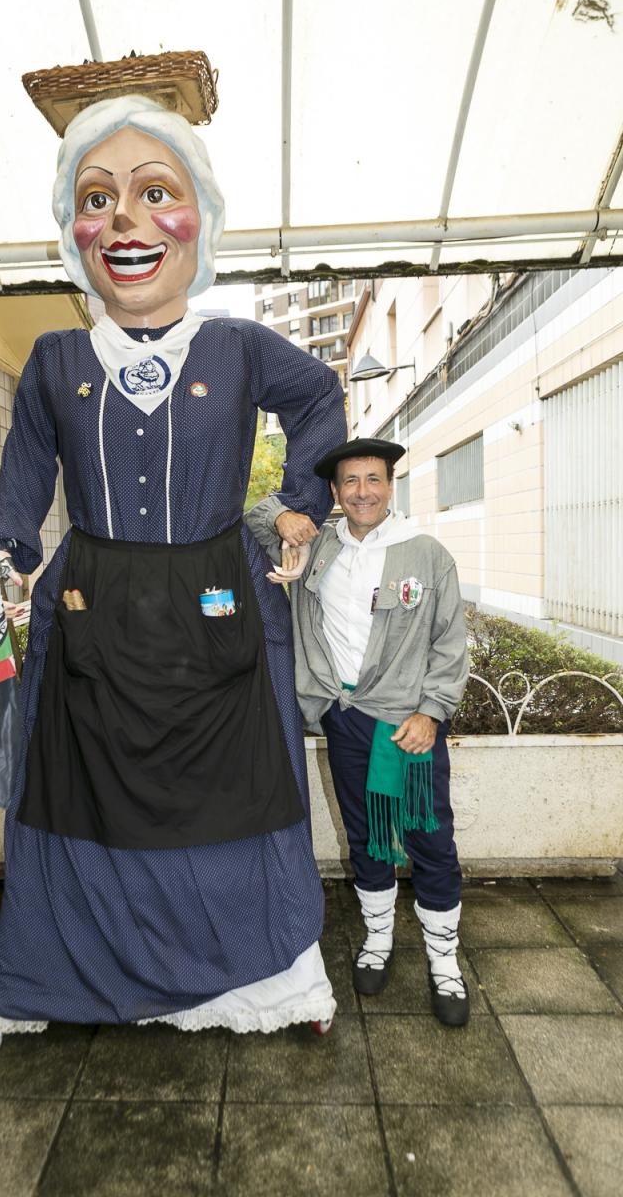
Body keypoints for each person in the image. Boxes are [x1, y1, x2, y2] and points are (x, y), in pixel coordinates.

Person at [0, 94, 347, 1041]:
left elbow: (320, 396)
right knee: (75, 789)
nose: (126, 221)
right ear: (74, 231)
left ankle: (264, 981)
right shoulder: (54, 360)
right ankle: (66, 977)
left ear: (200, 219)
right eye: (97, 198)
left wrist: (303, 502)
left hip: (216, 605)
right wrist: (11, 551)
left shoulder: (240, 347)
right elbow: (25, 469)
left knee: (241, 787)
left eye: (155, 193)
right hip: (92, 609)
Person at [245, 437, 471, 1026]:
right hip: (345, 717)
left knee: (427, 837)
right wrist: (287, 518)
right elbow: (254, 516)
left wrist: (432, 711)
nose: (362, 492)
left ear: (390, 486)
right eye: (350, 481)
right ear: (334, 491)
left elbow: (449, 642)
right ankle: (378, 938)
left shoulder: (426, 554)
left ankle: (444, 960)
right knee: (367, 835)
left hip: (406, 724)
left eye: (373, 479)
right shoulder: (317, 546)